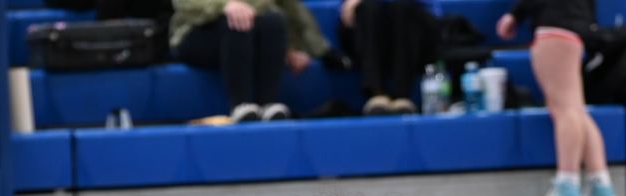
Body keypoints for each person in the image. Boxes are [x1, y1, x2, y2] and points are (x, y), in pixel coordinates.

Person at [496, 0, 620, 196]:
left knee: (564, 110)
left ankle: (567, 189)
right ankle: (601, 187)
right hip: (577, 25)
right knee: (575, 110)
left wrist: (515, 14)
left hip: (554, 25)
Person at [169, 0, 346, 122]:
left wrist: (299, 48)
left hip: (248, 37)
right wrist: (224, 5)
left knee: (273, 21)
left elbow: (292, 10)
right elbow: (186, 4)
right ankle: (241, 104)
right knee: (237, 22)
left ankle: (268, 104)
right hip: (196, 34)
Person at [338, 0, 440, 115]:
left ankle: (402, 95)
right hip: (371, 25)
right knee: (367, 8)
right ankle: (377, 94)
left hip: (415, 25)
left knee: (401, 7)